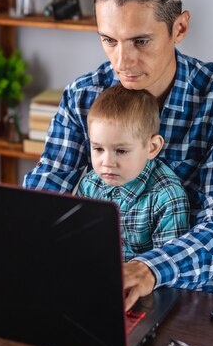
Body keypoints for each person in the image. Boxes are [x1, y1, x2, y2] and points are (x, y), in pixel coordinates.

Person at [23, 0, 213, 311]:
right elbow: (49, 186)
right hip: (99, 285)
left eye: (140, 41)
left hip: (196, 297)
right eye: (109, 41)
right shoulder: (83, 95)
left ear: (179, 28)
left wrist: (149, 269)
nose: (122, 62)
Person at [76, 83, 190, 262]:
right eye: (98, 148)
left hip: (147, 285)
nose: (107, 162)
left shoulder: (167, 197)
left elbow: (168, 262)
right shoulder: (89, 185)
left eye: (121, 151)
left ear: (152, 148)